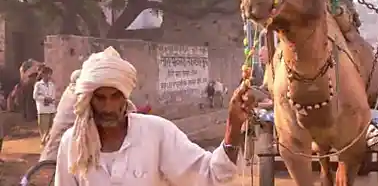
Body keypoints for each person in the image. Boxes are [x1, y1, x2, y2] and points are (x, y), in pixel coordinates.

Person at [55, 47, 254, 185]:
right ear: (89, 100)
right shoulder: (72, 143)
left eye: (115, 97)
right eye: (100, 98)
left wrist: (233, 125)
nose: (108, 107)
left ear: (125, 97)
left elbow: (212, 176)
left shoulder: (156, 133)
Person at [33, 66, 56, 146]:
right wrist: (44, 99)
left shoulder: (52, 84)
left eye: (50, 74)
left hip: (52, 109)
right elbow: (35, 96)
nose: (49, 76)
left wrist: (51, 99)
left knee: (53, 128)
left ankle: (49, 143)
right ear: (43, 74)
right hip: (43, 110)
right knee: (44, 129)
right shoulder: (38, 85)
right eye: (47, 74)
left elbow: (53, 96)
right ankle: (43, 144)